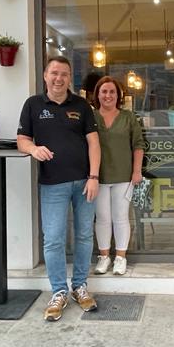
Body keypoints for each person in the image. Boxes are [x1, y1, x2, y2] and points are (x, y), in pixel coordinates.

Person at [17, 56, 101, 321]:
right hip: (53, 184)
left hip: (84, 182)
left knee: (85, 235)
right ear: (45, 75)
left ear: (69, 78)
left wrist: (94, 176)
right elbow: (22, 139)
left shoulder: (82, 105)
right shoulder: (33, 105)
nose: (59, 78)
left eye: (64, 74)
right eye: (54, 73)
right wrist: (33, 149)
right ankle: (59, 291)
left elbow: (94, 144)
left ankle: (79, 286)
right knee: (53, 239)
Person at [90, 76, 147, 276]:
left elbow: (139, 145)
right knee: (102, 218)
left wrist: (137, 171)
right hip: (98, 177)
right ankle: (104, 257)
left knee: (121, 217)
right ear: (97, 95)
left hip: (124, 176)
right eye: (104, 91)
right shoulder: (91, 117)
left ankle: (121, 257)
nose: (108, 95)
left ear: (118, 95)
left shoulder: (128, 117)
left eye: (112, 92)